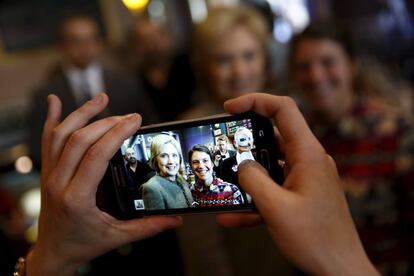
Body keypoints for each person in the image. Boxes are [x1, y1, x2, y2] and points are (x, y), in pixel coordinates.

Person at [22, 92, 379, 276]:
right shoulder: (166, 189)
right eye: (173, 158)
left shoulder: (219, 185)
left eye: (194, 160)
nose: (178, 162)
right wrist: (49, 262)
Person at [290, 23, 414, 274]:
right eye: (304, 67)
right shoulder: (297, 140)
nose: (316, 76)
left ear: (351, 66)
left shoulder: (395, 131)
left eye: (328, 62)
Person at [29, 11, 158, 168]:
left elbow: (150, 125)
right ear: (62, 46)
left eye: (91, 39)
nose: (85, 46)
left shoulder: (126, 82)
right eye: (76, 41)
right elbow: (38, 150)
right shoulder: (45, 95)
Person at [179, 5, 274, 119]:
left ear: (265, 58)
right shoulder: (188, 125)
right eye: (224, 60)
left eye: (249, 56)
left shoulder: (287, 115)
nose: (240, 72)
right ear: (203, 65)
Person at [141, 134, 194, 210]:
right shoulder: (151, 188)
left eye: (174, 155)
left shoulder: (180, 179)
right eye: (164, 156)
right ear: (155, 160)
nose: (171, 161)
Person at [220, 127, 255, 204]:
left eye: (249, 138)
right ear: (235, 143)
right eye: (242, 139)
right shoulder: (226, 164)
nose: (246, 142)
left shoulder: (262, 159)